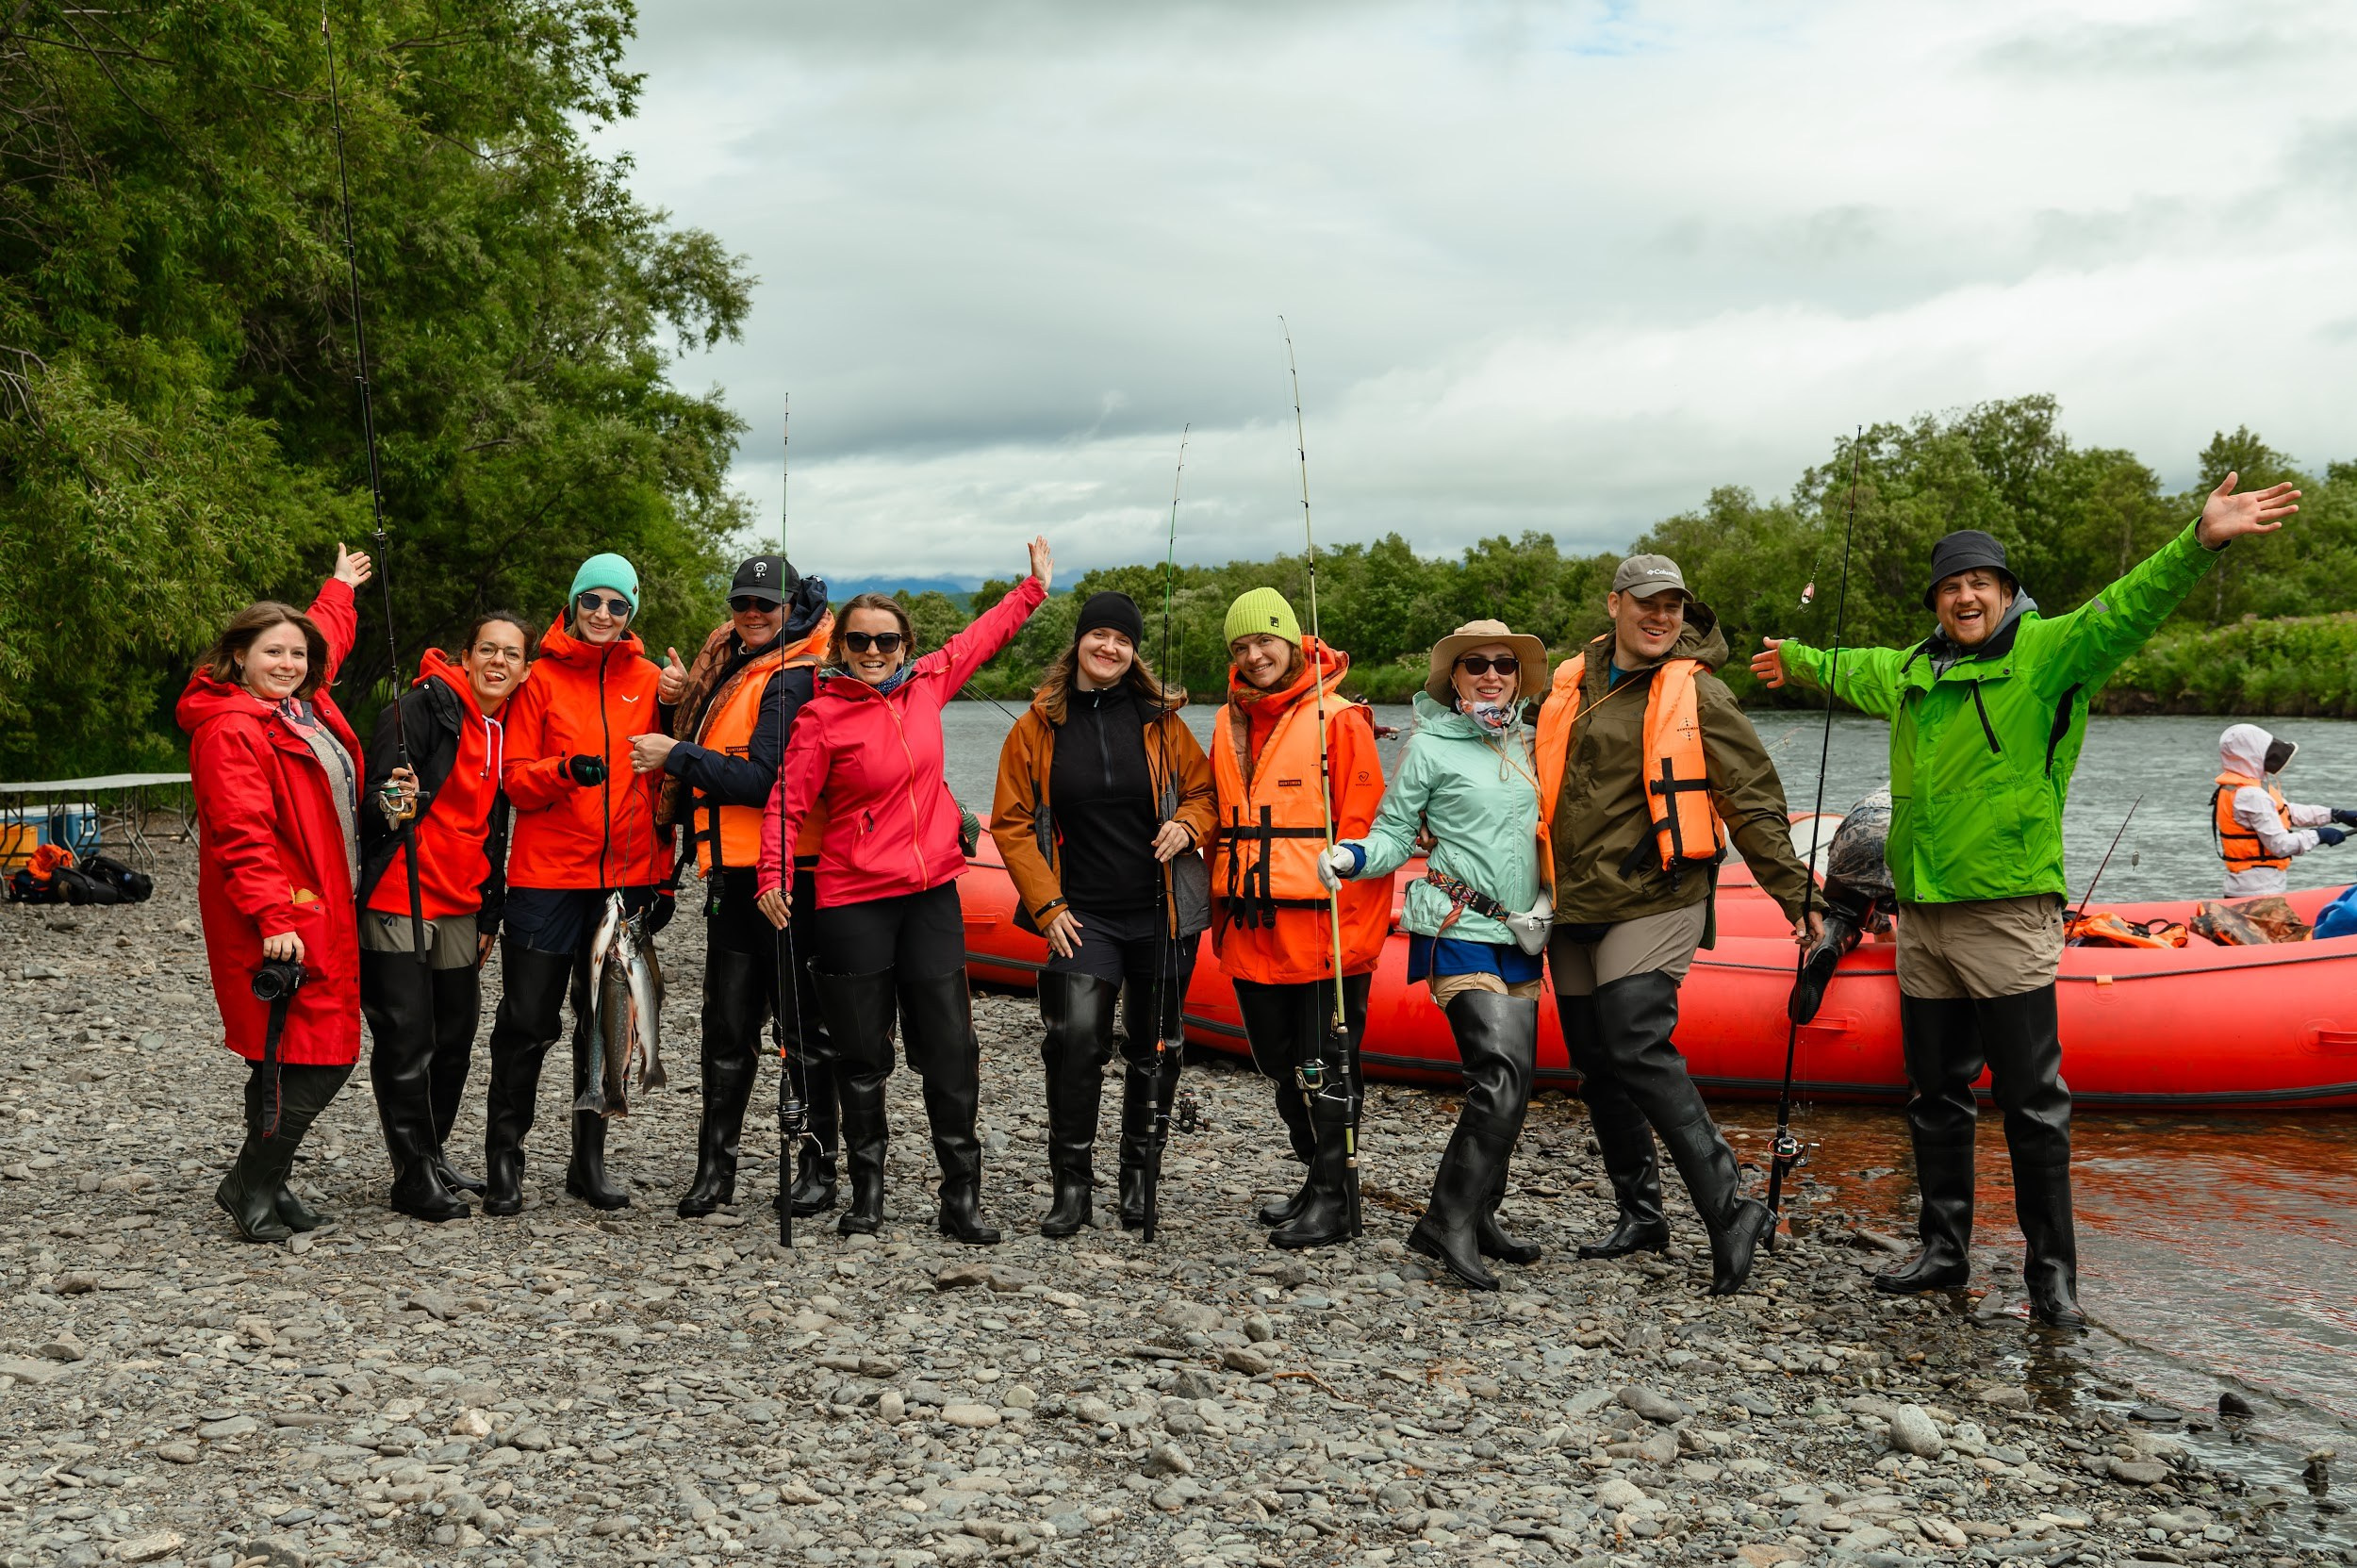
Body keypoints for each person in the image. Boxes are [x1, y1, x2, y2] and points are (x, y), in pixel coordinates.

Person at [1753, 473, 2301, 1327]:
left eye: (1981, 584)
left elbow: (2127, 605)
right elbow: (1848, 666)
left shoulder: (2049, 654)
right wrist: (1792, 658)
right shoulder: (1911, 671)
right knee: (1934, 1090)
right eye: (1950, 587)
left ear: (2006, 594)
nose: (1965, 596)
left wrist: (2201, 541)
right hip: (1925, 913)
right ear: (1936, 602)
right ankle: (1944, 1249)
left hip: (2007, 910)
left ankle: (2053, 1276)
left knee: (2033, 1098)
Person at [758, 539, 1055, 1244]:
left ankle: (961, 1198)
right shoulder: (820, 715)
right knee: (863, 1056)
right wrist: (772, 874)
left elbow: (980, 638)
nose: (871, 650)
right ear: (840, 645)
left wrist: (1032, 589)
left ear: (903, 644)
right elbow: (785, 802)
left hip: (930, 896)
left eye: (885, 639)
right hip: (851, 898)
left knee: (951, 1051)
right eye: (858, 640)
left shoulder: (929, 683)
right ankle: (867, 1196)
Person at [1541, 554, 1821, 1296]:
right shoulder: (1569, 684)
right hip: (1575, 899)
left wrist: (1797, 896)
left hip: (1659, 893)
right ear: (1615, 605)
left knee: (1636, 1039)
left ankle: (1730, 1209)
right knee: (1598, 1062)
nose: (1661, 616)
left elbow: (1753, 800)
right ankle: (1641, 1214)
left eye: (1674, 605)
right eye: (1647, 603)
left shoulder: (1702, 693)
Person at [1322, 620, 1554, 1289]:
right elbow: (1395, 833)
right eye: (1474, 664)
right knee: (1500, 1074)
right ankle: (1444, 1219)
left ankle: (1481, 1213)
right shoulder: (1429, 748)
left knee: (1514, 1082)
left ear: (1518, 675)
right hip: (1457, 925)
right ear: (1453, 678)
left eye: (1504, 664)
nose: (1490, 674)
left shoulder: (1535, 743)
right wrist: (1352, 855)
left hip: (1523, 934)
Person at [990, 590, 1216, 1237]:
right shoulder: (1037, 725)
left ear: (1134, 651)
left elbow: (1203, 792)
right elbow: (1009, 823)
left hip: (1162, 913)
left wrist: (1188, 823)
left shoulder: (1162, 721)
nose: (1110, 647)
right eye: (1100, 636)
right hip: (1081, 914)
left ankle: (1139, 1181)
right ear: (1080, 642)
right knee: (1074, 1043)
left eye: (1123, 639)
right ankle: (1071, 1186)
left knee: (1157, 1048)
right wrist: (1047, 903)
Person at [178, 546, 379, 1243]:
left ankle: (270, 1177)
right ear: (238, 657)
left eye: (297, 654)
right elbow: (242, 833)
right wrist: (272, 917)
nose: (289, 663)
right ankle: (250, 1180)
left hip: (316, 905)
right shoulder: (233, 728)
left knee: (281, 1052)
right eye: (273, 653)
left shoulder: (299, 705)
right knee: (322, 1051)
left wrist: (338, 589)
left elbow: (326, 635)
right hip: (282, 915)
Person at [632, 555, 837, 1218]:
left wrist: (675, 754)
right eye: (742, 603)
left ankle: (816, 1167)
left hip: (790, 878)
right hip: (730, 876)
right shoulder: (729, 665)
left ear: (792, 608)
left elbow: (768, 779)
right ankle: (713, 1170)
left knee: (802, 1030)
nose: (752, 614)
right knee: (726, 1028)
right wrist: (673, 701)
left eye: (766, 605)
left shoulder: (796, 677)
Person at [485, 553, 675, 1215]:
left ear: (631, 614)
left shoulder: (652, 681)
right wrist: (566, 769)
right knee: (527, 1022)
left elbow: (667, 782)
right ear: (572, 604)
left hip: (625, 880)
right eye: (591, 601)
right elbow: (514, 778)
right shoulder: (537, 679)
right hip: (546, 880)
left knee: (604, 1020)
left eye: (617, 605)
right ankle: (504, 1161)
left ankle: (587, 1162)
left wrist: (662, 873)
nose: (603, 614)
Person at [1204, 587, 1392, 1251]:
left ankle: (1335, 1199)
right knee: (1279, 1063)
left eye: (1265, 641)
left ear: (1291, 642)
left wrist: (1358, 928)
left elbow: (1368, 828)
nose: (1254, 655)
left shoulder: (1339, 719)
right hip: (1252, 926)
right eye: (1241, 646)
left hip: (1322, 929)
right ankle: (1316, 1179)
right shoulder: (1230, 721)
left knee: (1325, 1066)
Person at [356, 613, 530, 1222]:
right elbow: (372, 810)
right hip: (399, 894)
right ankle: (411, 1174)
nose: (498, 661)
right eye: (488, 649)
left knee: (455, 1039)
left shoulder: (507, 727)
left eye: (511, 653)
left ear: (523, 669)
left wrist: (492, 906)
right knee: (408, 1040)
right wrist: (389, 802)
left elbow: (493, 829)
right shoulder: (417, 711)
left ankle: (431, 1153)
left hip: (462, 900)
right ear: (466, 654)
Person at [2213, 724, 2352, 897]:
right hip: (2259, 891)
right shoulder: (2252, 795)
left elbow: (2287, 812)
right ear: (2253, 755)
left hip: (2247, 887)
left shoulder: (2235, 788)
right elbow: (2281, 845)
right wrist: (2318, 835)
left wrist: (2335, 815)